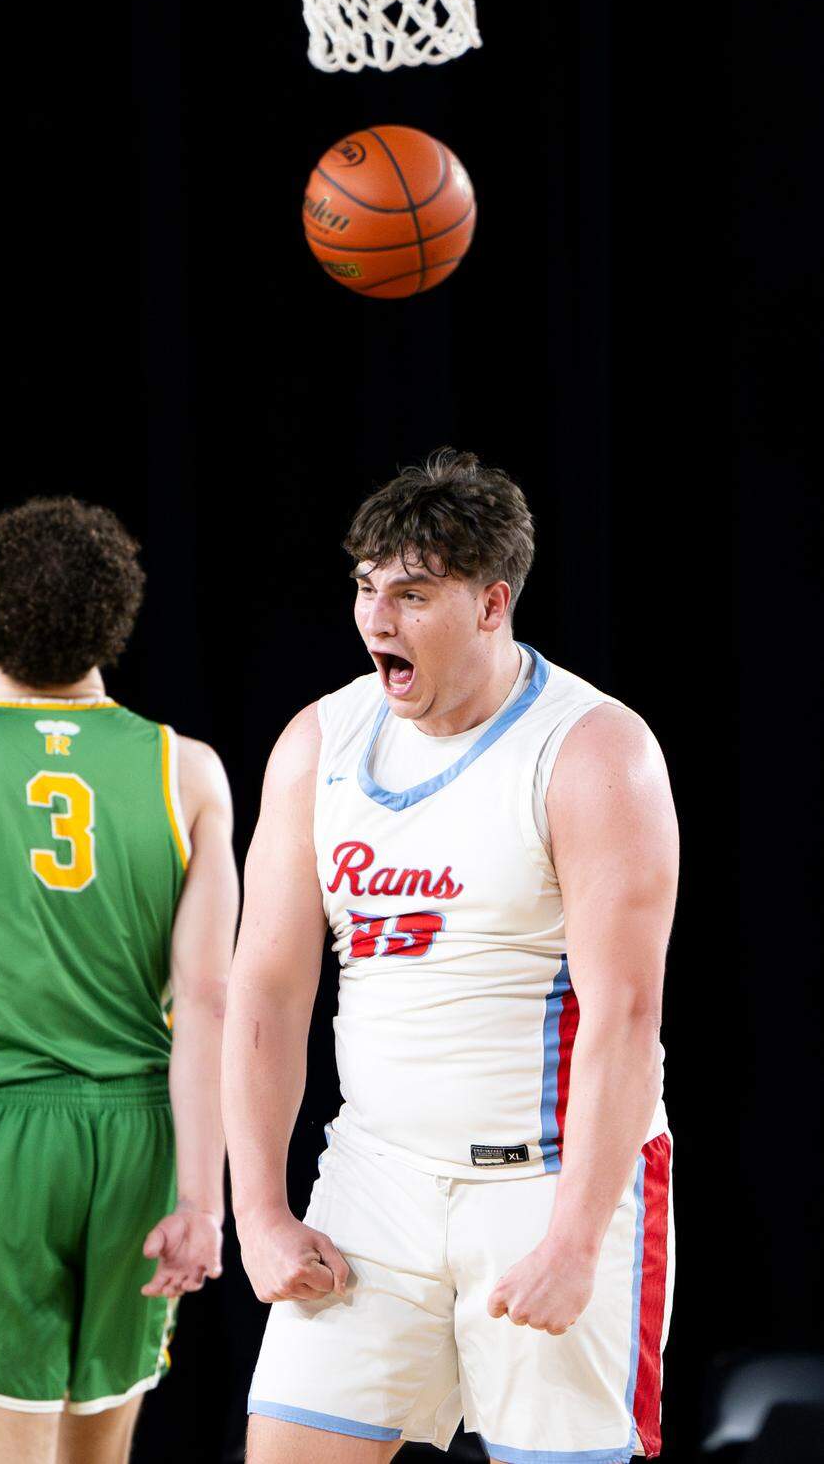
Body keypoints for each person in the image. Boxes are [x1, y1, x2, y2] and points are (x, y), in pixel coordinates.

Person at [224, 448, 677, 1464]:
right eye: (366, 588)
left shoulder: (595, 752)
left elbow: (625, 1015)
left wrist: (575, 1237)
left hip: (550, 1183)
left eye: (413, 594)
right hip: (376, 1178)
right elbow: (265, 989)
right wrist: (258, 1210)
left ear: (490, 604)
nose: (378, 620)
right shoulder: (321, 741)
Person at [0, 496, 238, 1464]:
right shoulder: (188, 771)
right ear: (116, 613)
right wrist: (204, 1199)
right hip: (139, 1140)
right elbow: (208, 1004)